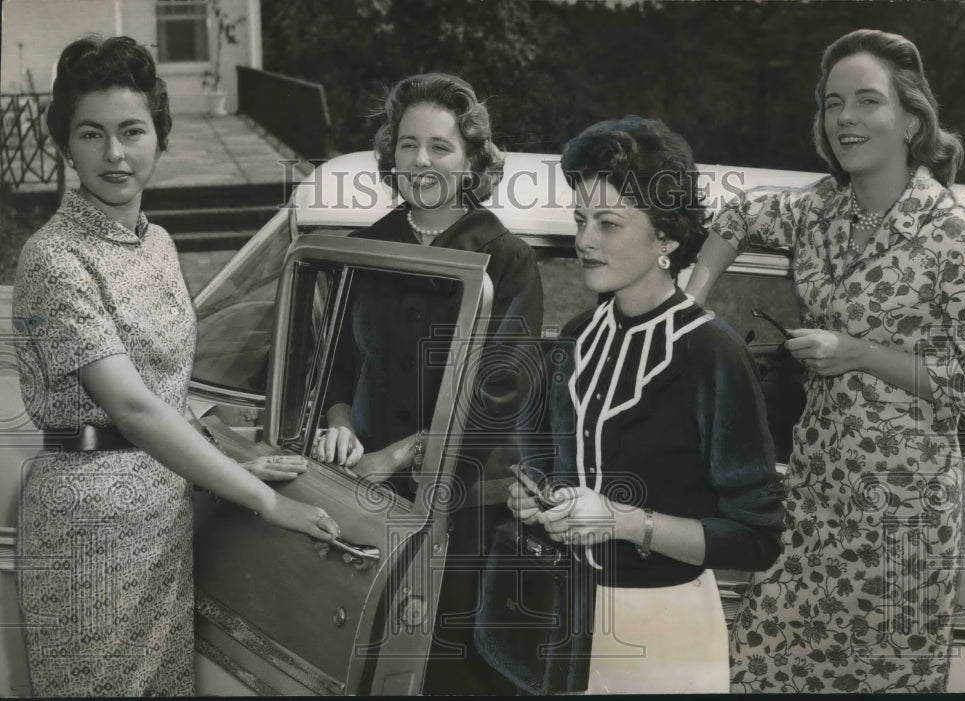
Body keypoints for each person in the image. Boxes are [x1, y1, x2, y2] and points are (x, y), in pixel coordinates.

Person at [12, 36, 340, 697]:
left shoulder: (159, 243)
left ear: (159, 136)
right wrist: (265, 499)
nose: (113, 153)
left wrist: (238, 459)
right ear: (65, 144)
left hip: (164, 518)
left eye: (132, 131)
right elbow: (132, 406)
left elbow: (169, 388)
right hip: (88, 526)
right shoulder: (53, 258)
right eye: (91, 133)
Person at [685, 29, 965, 693]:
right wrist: (688, 306)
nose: (846, 119)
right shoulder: (821, 211)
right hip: (814, 493)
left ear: (911, 119)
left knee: (884, 677)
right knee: (760, 664)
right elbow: (738, 215)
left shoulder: (957, 237)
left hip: (903, 514)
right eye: (833, 104)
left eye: (866, 101)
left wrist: (859, 353)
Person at [505, 116, 785, 694]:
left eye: (608, 223)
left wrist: (624, 521)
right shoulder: (576, 337)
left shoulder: (712, 352)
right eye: (581, 219)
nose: (584, 240)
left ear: (667, 238)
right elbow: (550, 466)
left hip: (667, 632)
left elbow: (757, 539)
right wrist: (535, 499)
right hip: (568, 620)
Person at [311, 73, 543, 694]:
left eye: (440, 147)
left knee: (441, 671)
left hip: (462, 510)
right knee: (361, 660)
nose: (421, 160)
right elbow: (338, 362)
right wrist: (340, 422)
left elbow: (501, 394)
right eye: (408, 144)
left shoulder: (507, 257)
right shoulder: (370, 246)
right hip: (365, 497)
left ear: (470, 159)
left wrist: (401, 455)